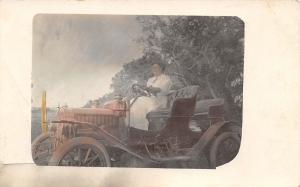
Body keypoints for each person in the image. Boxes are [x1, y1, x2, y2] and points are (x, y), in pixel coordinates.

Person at [130, 62, 172, 130]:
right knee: (133, 101)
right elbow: (147, 93)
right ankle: (133, 126)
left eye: (156, 67)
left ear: (161, 68)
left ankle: (141, 128)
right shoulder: (150, 80)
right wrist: (140, 90)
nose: (154, 69)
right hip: (150, 100)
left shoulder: (166, 78)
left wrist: (146, 88)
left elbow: (159, 89)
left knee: (140, 102)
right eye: (152, 68)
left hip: (159, 101)